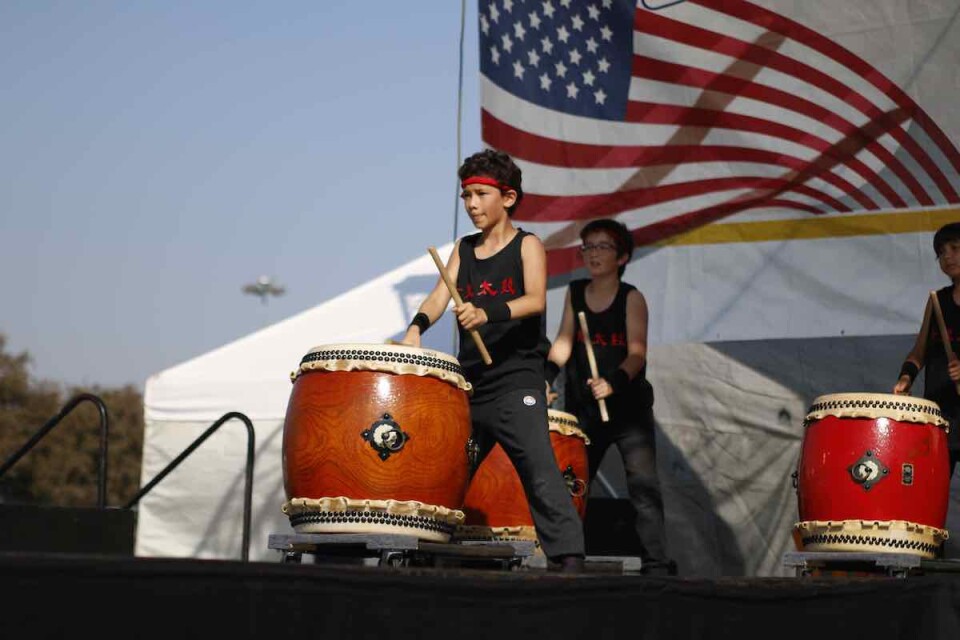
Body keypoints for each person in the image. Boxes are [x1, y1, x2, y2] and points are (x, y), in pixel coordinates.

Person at [401, 148, 586, 572]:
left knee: (539, 468)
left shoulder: (528, 244)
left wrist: (487, 312)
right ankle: (424, 552)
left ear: (508, 198)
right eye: (467, 197)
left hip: (518, 379)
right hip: (472, 383)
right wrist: (415, 328)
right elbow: (438, 295)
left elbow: (536, 300)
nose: (471, 205)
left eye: (481, 195)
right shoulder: (464, 250)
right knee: (450, 472)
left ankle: (570, 560)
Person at [544, 218, 674, 576]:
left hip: (628, 409)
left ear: (622, 257)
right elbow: (564, 342)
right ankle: (568, 556)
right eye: (588, 246)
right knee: (575, 484)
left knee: (643, 486)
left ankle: (656, 563)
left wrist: (613, 382)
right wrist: (546, 376)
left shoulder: (632, 297)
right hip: (585, 409)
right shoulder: (575, 293)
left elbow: (637, 354)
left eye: (603, 246)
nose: (593, 253)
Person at [893, 221, 960, 481]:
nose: (947, 256)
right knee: (931, 492)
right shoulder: (937, 302)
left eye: (955, 248)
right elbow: (919, 352)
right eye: (941, 252)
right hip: (939, 415)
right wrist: (906, 377)